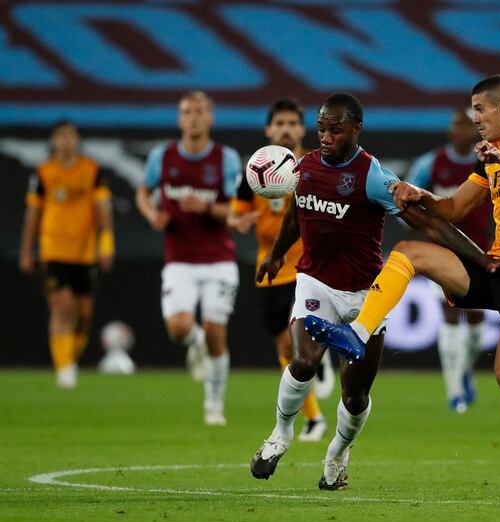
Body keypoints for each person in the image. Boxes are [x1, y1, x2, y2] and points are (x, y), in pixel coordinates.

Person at [305, 75, 500, 497]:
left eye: (480, 110)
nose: (475, 118)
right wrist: (418, 195)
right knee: (411, 252)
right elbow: (452, 208)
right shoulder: (489, 157)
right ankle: (356, 334)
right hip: (499, 263)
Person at [248, 92, 500, 490]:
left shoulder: (373, 176)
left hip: (365, 297)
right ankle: (280, 434)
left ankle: (337, 453)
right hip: (315, 282)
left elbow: (430, 225)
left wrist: (482, 260)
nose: (326, 136)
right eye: (321, 128)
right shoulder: (305, 167)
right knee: (303, 362)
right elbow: (297, 211)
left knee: (355, 397)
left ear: (356, 129)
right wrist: (276, 255)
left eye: (335, 129)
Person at [136, 91, 241, 426]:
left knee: (215, 332)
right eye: (186, 112)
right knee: (180, 328)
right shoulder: (162, 157)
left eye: (199, 112)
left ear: (210, 118)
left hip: (218, 260)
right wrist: (152, 214)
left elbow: (238, 208)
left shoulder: (226, 159)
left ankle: (214, 404)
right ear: (180, 118)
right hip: (179, 260)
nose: (192, 118)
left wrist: (208, 207)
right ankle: (193, 342)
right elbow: (142, 191)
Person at [228, 98, 327, 442]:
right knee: (287, 350)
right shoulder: (255, 169)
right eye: (279, 123)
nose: (286, 129)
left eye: (292, 123)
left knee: (294, 343)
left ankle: (314, 412)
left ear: (302, 129)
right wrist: (239, 221)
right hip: (271, 270)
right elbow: (235, 213)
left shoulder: (316, 166)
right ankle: (314, 415)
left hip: (312, 268)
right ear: (269, 130)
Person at [405, 108, 491, 413]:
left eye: (469, 124)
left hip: (480, 252)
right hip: (443, 252)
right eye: (458, 124)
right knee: (451, 314)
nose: (464, 129)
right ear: (451, 130)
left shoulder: (490, 163)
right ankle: (454, 391)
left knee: (478, 322)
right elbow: (407, 197)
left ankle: (465, 370)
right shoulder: (432, 163)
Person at [19, 120, 115, 389]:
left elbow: (103, 211)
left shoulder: (91, 171)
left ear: (76, 141)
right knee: (62, 307)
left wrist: (106, 244)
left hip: (84, 252)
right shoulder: (44, 173)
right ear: (53, 141)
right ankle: (64, 370)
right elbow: (32, 215)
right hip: (54, 250)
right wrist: (27, 250)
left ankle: (68, 359)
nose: (65, 141)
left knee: (83, 315)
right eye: (60, 136)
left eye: (69, 136)